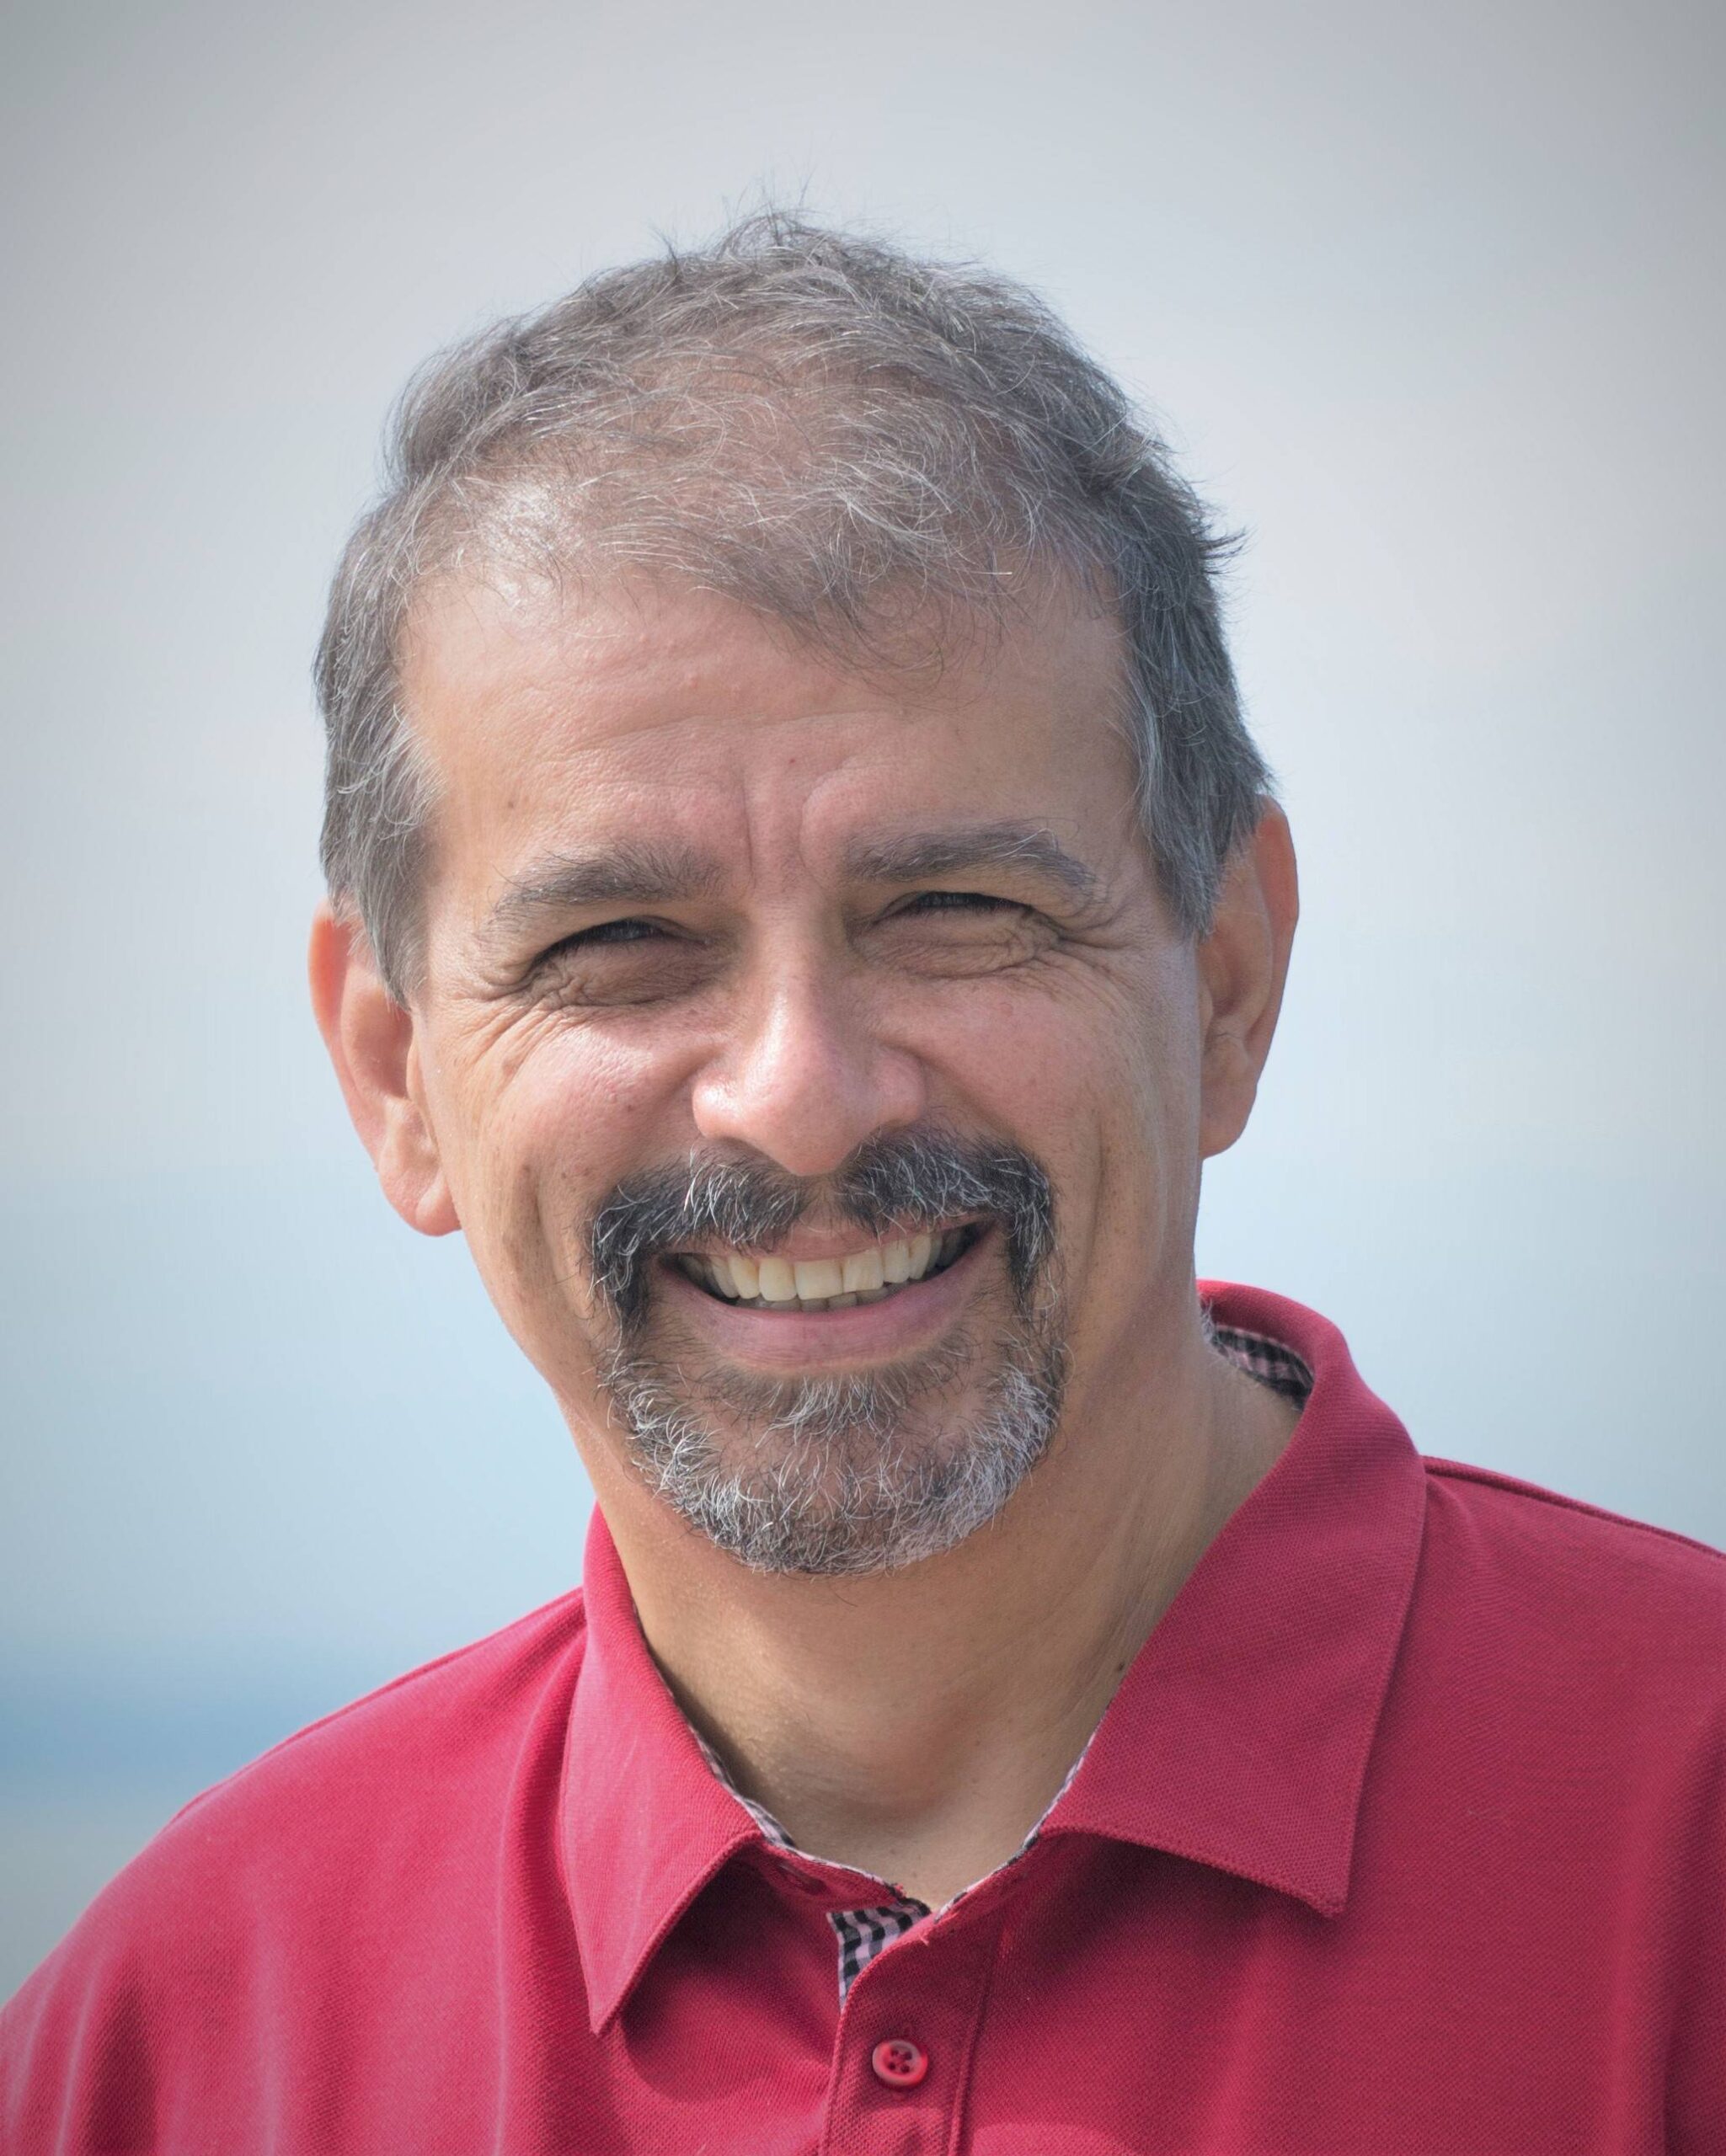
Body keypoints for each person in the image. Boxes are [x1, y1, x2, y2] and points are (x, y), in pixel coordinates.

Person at [2, 212, 1719, 2156]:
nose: (799, 1102)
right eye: (620, 945)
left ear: (1227, 980)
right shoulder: (174, 2046)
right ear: (398, 1076)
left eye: (953, 909)